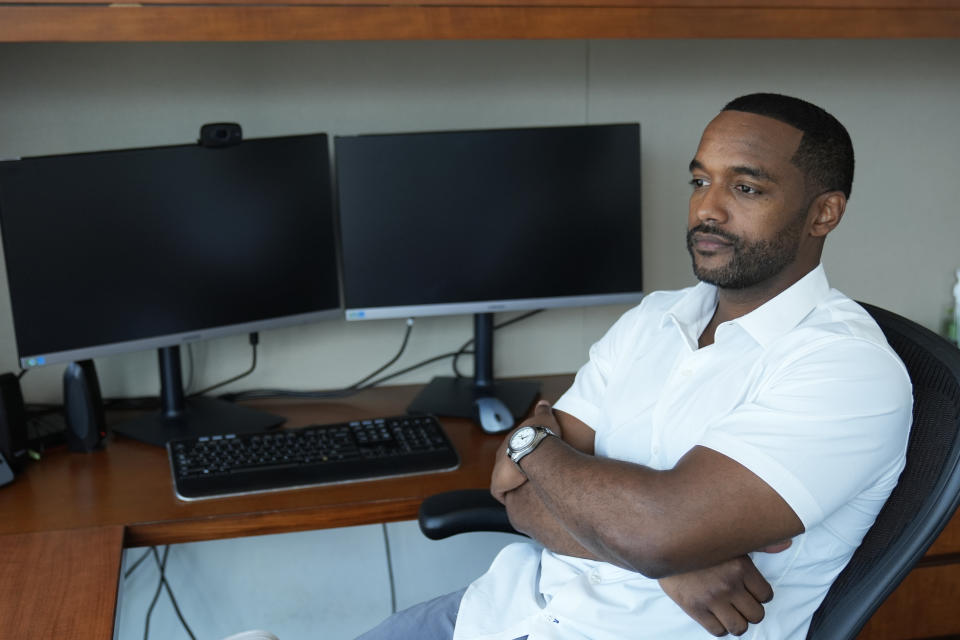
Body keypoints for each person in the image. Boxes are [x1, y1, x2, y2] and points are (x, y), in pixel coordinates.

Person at [357, 93, 913, 640]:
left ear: (824, 213)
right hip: (504, 611)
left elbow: (651, 530)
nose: (708, 210)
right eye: (700, 181)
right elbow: (518, 497)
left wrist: (536, 447)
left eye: (745, 188)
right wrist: (664, 557)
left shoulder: (847, 370)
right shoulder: (655, 318)